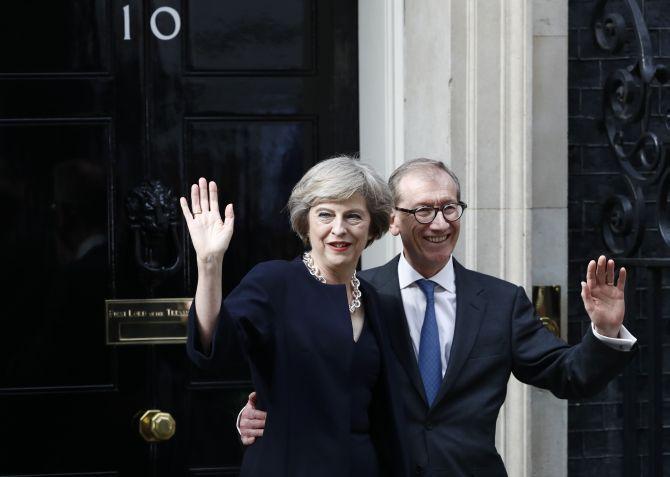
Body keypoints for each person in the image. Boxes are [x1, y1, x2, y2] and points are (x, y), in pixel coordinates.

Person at [238, 157, 637, 476]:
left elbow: (569, 375)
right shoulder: (359, 296)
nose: (441, 223)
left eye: (450, 208)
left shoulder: (500, 302)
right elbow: (316, 381)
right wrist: (257, 413)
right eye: (424, 211)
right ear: (391, 219)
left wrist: (603, 331)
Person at [182, 157, 408, 477]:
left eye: (353, 216)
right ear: (306, 222)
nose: (338, 229)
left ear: (373, 226)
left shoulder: (379, 305)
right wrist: (209, 264)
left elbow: (387, 414)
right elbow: (213, 349)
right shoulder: (274, 283)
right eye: (325, 214)